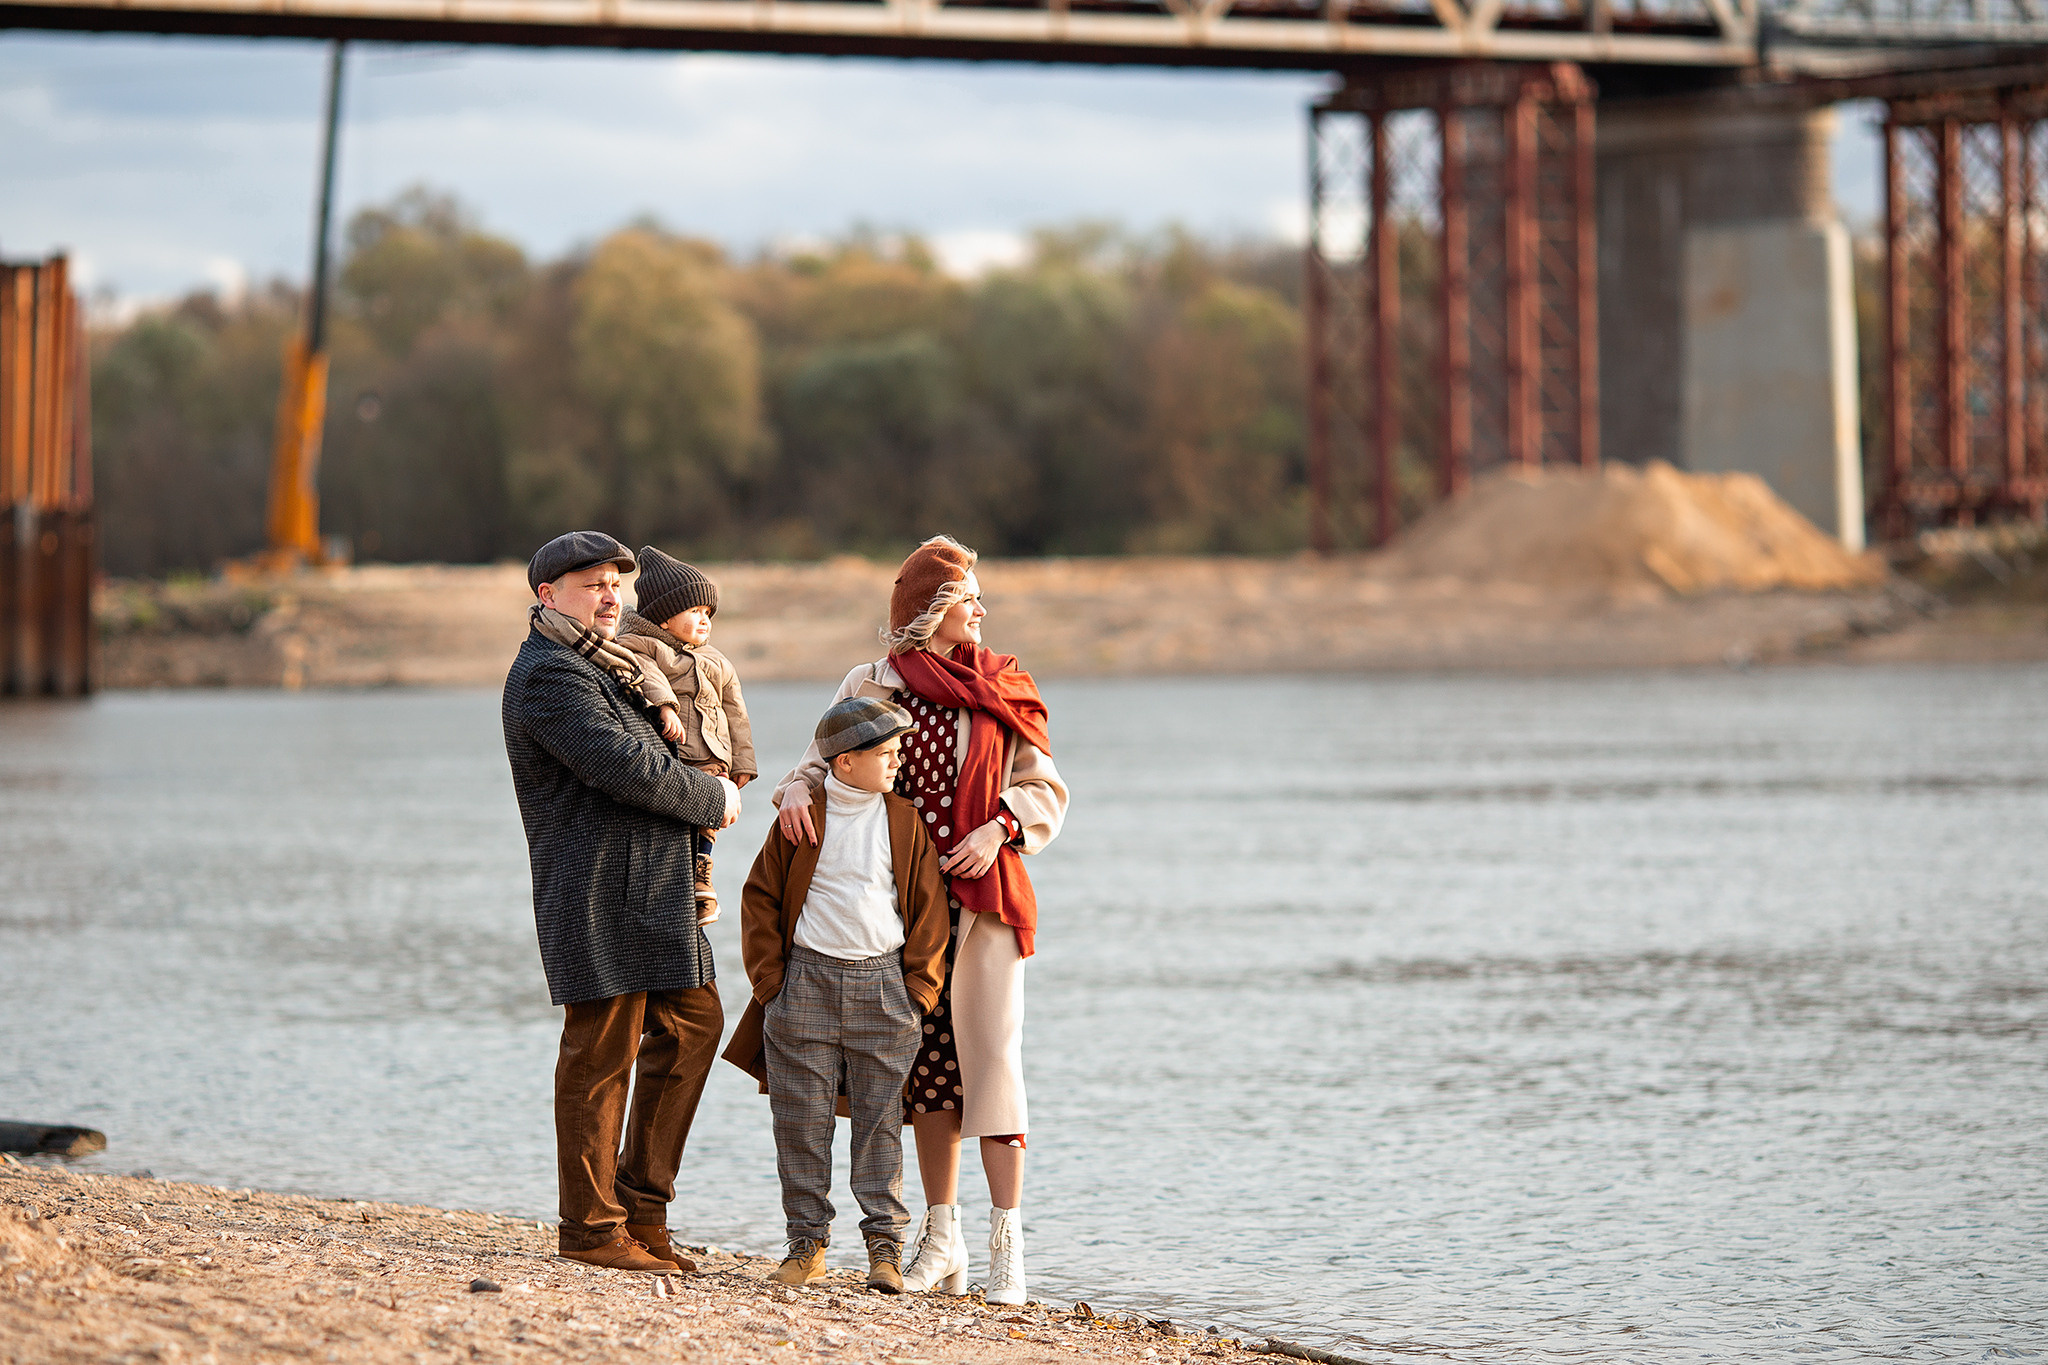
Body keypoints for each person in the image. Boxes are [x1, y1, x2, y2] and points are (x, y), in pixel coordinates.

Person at [772, 535, 1066, 1305]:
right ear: (933, 609)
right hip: (897, 905)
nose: (981, 608)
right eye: (969, 596)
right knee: (927, 1070)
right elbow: (817, 759)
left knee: (994, 1063)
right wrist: (797, 791)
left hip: (985, 897)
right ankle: (944, 1236)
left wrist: (997, 827)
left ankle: (1010, 1250)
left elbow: (1046, 787)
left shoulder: (1004, 682)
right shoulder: (871, 681)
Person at [502, 531, 741, 1276]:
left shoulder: (616, 663)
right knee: (600, 1053)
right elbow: (624, 763)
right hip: (595, 887)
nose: (609, 597)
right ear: (548, 595)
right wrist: (715, 795)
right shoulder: (547, 674)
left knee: (696, 1023)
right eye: (589, 584)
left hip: (655, 887)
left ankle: (643, 1210)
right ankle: (590, 1229)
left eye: (615, 584)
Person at [720, 697, 950, 1294]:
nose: (899, 761)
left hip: (885, 991)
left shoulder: (904, 818)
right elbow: (759, 899)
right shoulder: (801, 817)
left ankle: (885, 1251)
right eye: (887, 753)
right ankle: (806, 1246)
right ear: (845, 763)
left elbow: (929, 912)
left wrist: (918, 990)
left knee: (881, 1122)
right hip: (805, 987)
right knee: (800, 1121)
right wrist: (773, 985)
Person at [614, 546, 758, 924]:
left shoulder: (715, 659)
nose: (704, 620)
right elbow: (644, 672)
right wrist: (665, 706)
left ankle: (701, 879)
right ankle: (693, 882)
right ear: (663, 618)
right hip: (681, 753)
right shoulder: (642, 644)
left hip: (714, 753)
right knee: (685, 816)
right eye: (694, 611)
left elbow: (736, 711)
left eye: (708, 613)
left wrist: (743, 761)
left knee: (709, 823)